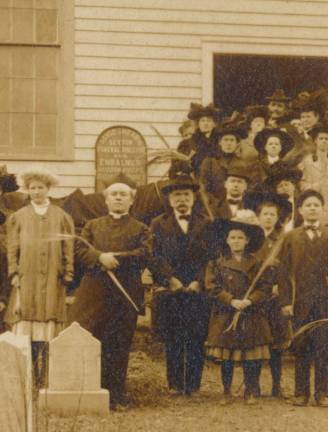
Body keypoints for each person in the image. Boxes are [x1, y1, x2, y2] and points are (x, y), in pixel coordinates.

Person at [68, 173, 151, 411]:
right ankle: (86, 391)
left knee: (118, 343)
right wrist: (99, 257)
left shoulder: (141, 228)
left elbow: (144, 254)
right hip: (94, 292)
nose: (117, 197)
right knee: (87, 336)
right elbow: (80, 251)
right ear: (106, 201)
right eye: (113, 194)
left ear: (131, 201)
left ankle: (116, 395)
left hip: (124, 292)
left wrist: (115, 259)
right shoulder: (92, 226)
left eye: (123, 194)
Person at [5, 169, 75, 387]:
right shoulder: (19, 217)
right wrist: (14, 272)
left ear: (48, 190)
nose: (37, 192)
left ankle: (46, 377)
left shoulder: (62, 217)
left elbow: (68, 246)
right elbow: (13, 247)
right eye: (33, 188)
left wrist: (68, 272)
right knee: (27, 321)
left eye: (41, 188)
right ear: (28, 190)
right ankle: (28, 376)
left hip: (53, 278)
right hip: (27, 279)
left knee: (49, 324)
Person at [149, 174, 211, 396]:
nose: (182, 199)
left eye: (186, 194)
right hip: (171, 290)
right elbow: (154, 256)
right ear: (170, 199)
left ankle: (193, 385)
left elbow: (211, 257)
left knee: (196, 337)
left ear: (194, 197)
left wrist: (199, 281)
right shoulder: (158, 223)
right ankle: (175, 384)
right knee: (173, 337)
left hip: (197, 289)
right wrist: (169, 279)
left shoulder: (206, 222)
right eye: (177, 195)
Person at [205, 215, 273, 405]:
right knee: (227, 356)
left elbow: (265, 287)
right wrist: (231, 301)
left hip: (251, 314)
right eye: (233, 237)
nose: (236, 241)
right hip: (226, 314)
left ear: (247, 240)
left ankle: (251, 390)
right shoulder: (216, 263)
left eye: (240, 238)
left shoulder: (258, 264)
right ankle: (226, 391)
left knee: (252, 355)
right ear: (226, 240)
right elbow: (211, 287)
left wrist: (250, 301)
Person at [279, 189, 328, 407]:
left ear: (323, 209)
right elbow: (283, 272)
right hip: (299, 302)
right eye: (308, 205)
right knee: (301, 348)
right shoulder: (290, 237)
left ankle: (323, 393)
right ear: (300, 210)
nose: (312, 208)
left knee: (324, 348)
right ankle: (301, 393)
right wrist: (286, 302)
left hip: (324, 302)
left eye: (316, 205)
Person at [244, 190, 292, 397]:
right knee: (253, 343)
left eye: (273, 214)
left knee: (277, 344)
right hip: (254, 298)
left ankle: (276, 385)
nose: (269, 217)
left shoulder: (283, 240)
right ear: (258, 216)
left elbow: (287, 268)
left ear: (277, 217)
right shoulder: (250, 238)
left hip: (274, 297)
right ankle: (252, 387)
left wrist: (279, 288)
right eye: (265, 214)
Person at [199, 123, 247, 203]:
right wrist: (213, 203)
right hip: (213, 204)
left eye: (232, 140)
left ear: (237, 144)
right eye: (226, 140)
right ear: (220, 142)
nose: (229, 143)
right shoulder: (210, 161)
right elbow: (203, 186)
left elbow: (245, 187)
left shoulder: (242, 163)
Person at [178, 103, 221, 176]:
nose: (205, 124)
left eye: (209, 121)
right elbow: (180, 167)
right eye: (203, 121)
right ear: (198, 124)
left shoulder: (220, 141)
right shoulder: (188, 142)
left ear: (214, 124)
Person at [299, 126, 328, 223]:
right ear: (316, 141)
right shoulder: (308, 161)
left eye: (327, 139)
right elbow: (301, 185)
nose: (324, 141)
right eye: (321, 138)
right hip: (314, 204)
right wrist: (316, 186)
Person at [264, 163, 303, 232]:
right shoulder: (272, 205)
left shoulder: (301, 203)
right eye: (280, 186)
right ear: (276, 191)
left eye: (286, 184)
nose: (284, 188)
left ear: (293, 186)